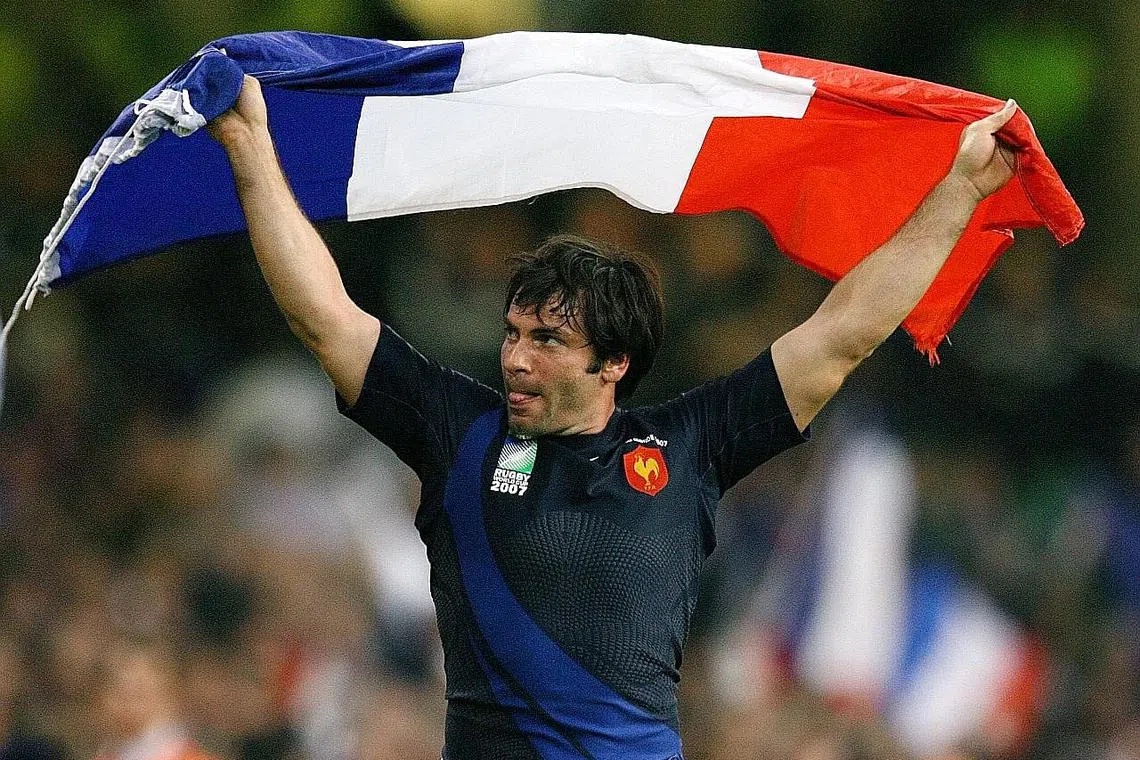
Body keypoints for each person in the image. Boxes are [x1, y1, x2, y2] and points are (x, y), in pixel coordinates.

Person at [208, 74, 1017, 759]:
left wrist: (961, 192)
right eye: (513, 334)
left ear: (613, 363)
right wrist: (249, 147)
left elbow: (842, 335)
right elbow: (327, 318)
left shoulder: (691, 447)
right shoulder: (460, 432)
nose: (515, 358)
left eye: (548, 340)